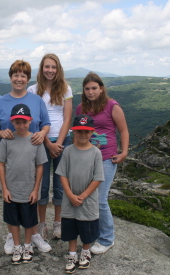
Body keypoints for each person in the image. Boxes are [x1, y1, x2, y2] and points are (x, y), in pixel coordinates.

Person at [0, 59, 52, 254]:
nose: (19, 79)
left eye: (23, 75)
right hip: (11, 159)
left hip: (33, 157)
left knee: (32, 199)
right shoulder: (0, 101)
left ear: (28, 78)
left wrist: (42, 134)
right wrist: (1, 133)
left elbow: (46, 124)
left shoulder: (36, 100)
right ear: (10, 77)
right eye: (16, 75)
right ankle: (12, 236)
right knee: (12, 200)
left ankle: (33, 234)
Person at [75, 72, 129, 255]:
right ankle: (94, 233)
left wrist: (125, 152)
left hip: (106, 157)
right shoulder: (80, 108)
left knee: (99, 198)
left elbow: (123, 130)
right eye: (87, 88)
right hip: (86, 157)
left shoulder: (112, 106)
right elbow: (75, 132)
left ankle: (107, 239)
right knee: (88, 198)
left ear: (101, 88)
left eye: (94, 88)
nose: (91, 92)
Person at [27, 53, 73, 240]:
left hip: (63, 141)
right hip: (41, 141)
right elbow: (34, 120)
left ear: (58, 69)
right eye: (47, 67)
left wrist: (58, 144)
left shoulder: (65, 89)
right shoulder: (32, 90)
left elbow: (67, 118)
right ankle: (42, 224)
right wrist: (48, 143)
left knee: (61, 184)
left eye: (53, 67)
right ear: (41, 68)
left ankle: (58, 223)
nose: (50, 70)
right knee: (43, 184)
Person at [0, 104, 48, 264]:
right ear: (12, 122)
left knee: (29, 221)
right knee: (13, 220)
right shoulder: (7, 140)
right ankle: (17, 246)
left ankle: (27, 245)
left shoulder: (36, 141)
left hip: (29, 191)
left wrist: (36, 189)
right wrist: (4, 189)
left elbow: (40, 166)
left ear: (30, 121)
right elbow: (1, 164)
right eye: (17, 122)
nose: (21, 125)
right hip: (11, 190)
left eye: (24, 122)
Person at [56, 114, 104, 273]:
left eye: (86, 131)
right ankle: (71, 254)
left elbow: (98, 178)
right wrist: (69, 194)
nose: (83, 134)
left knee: (87, 228)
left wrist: (82, 196)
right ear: (73, 132)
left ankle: (85, 251)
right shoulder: (68, 151)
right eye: (79, 131)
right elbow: (62, 174)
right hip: (69, 199)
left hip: (87, 200)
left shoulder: (96, 153)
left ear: (92, 132)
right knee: (70, 227)